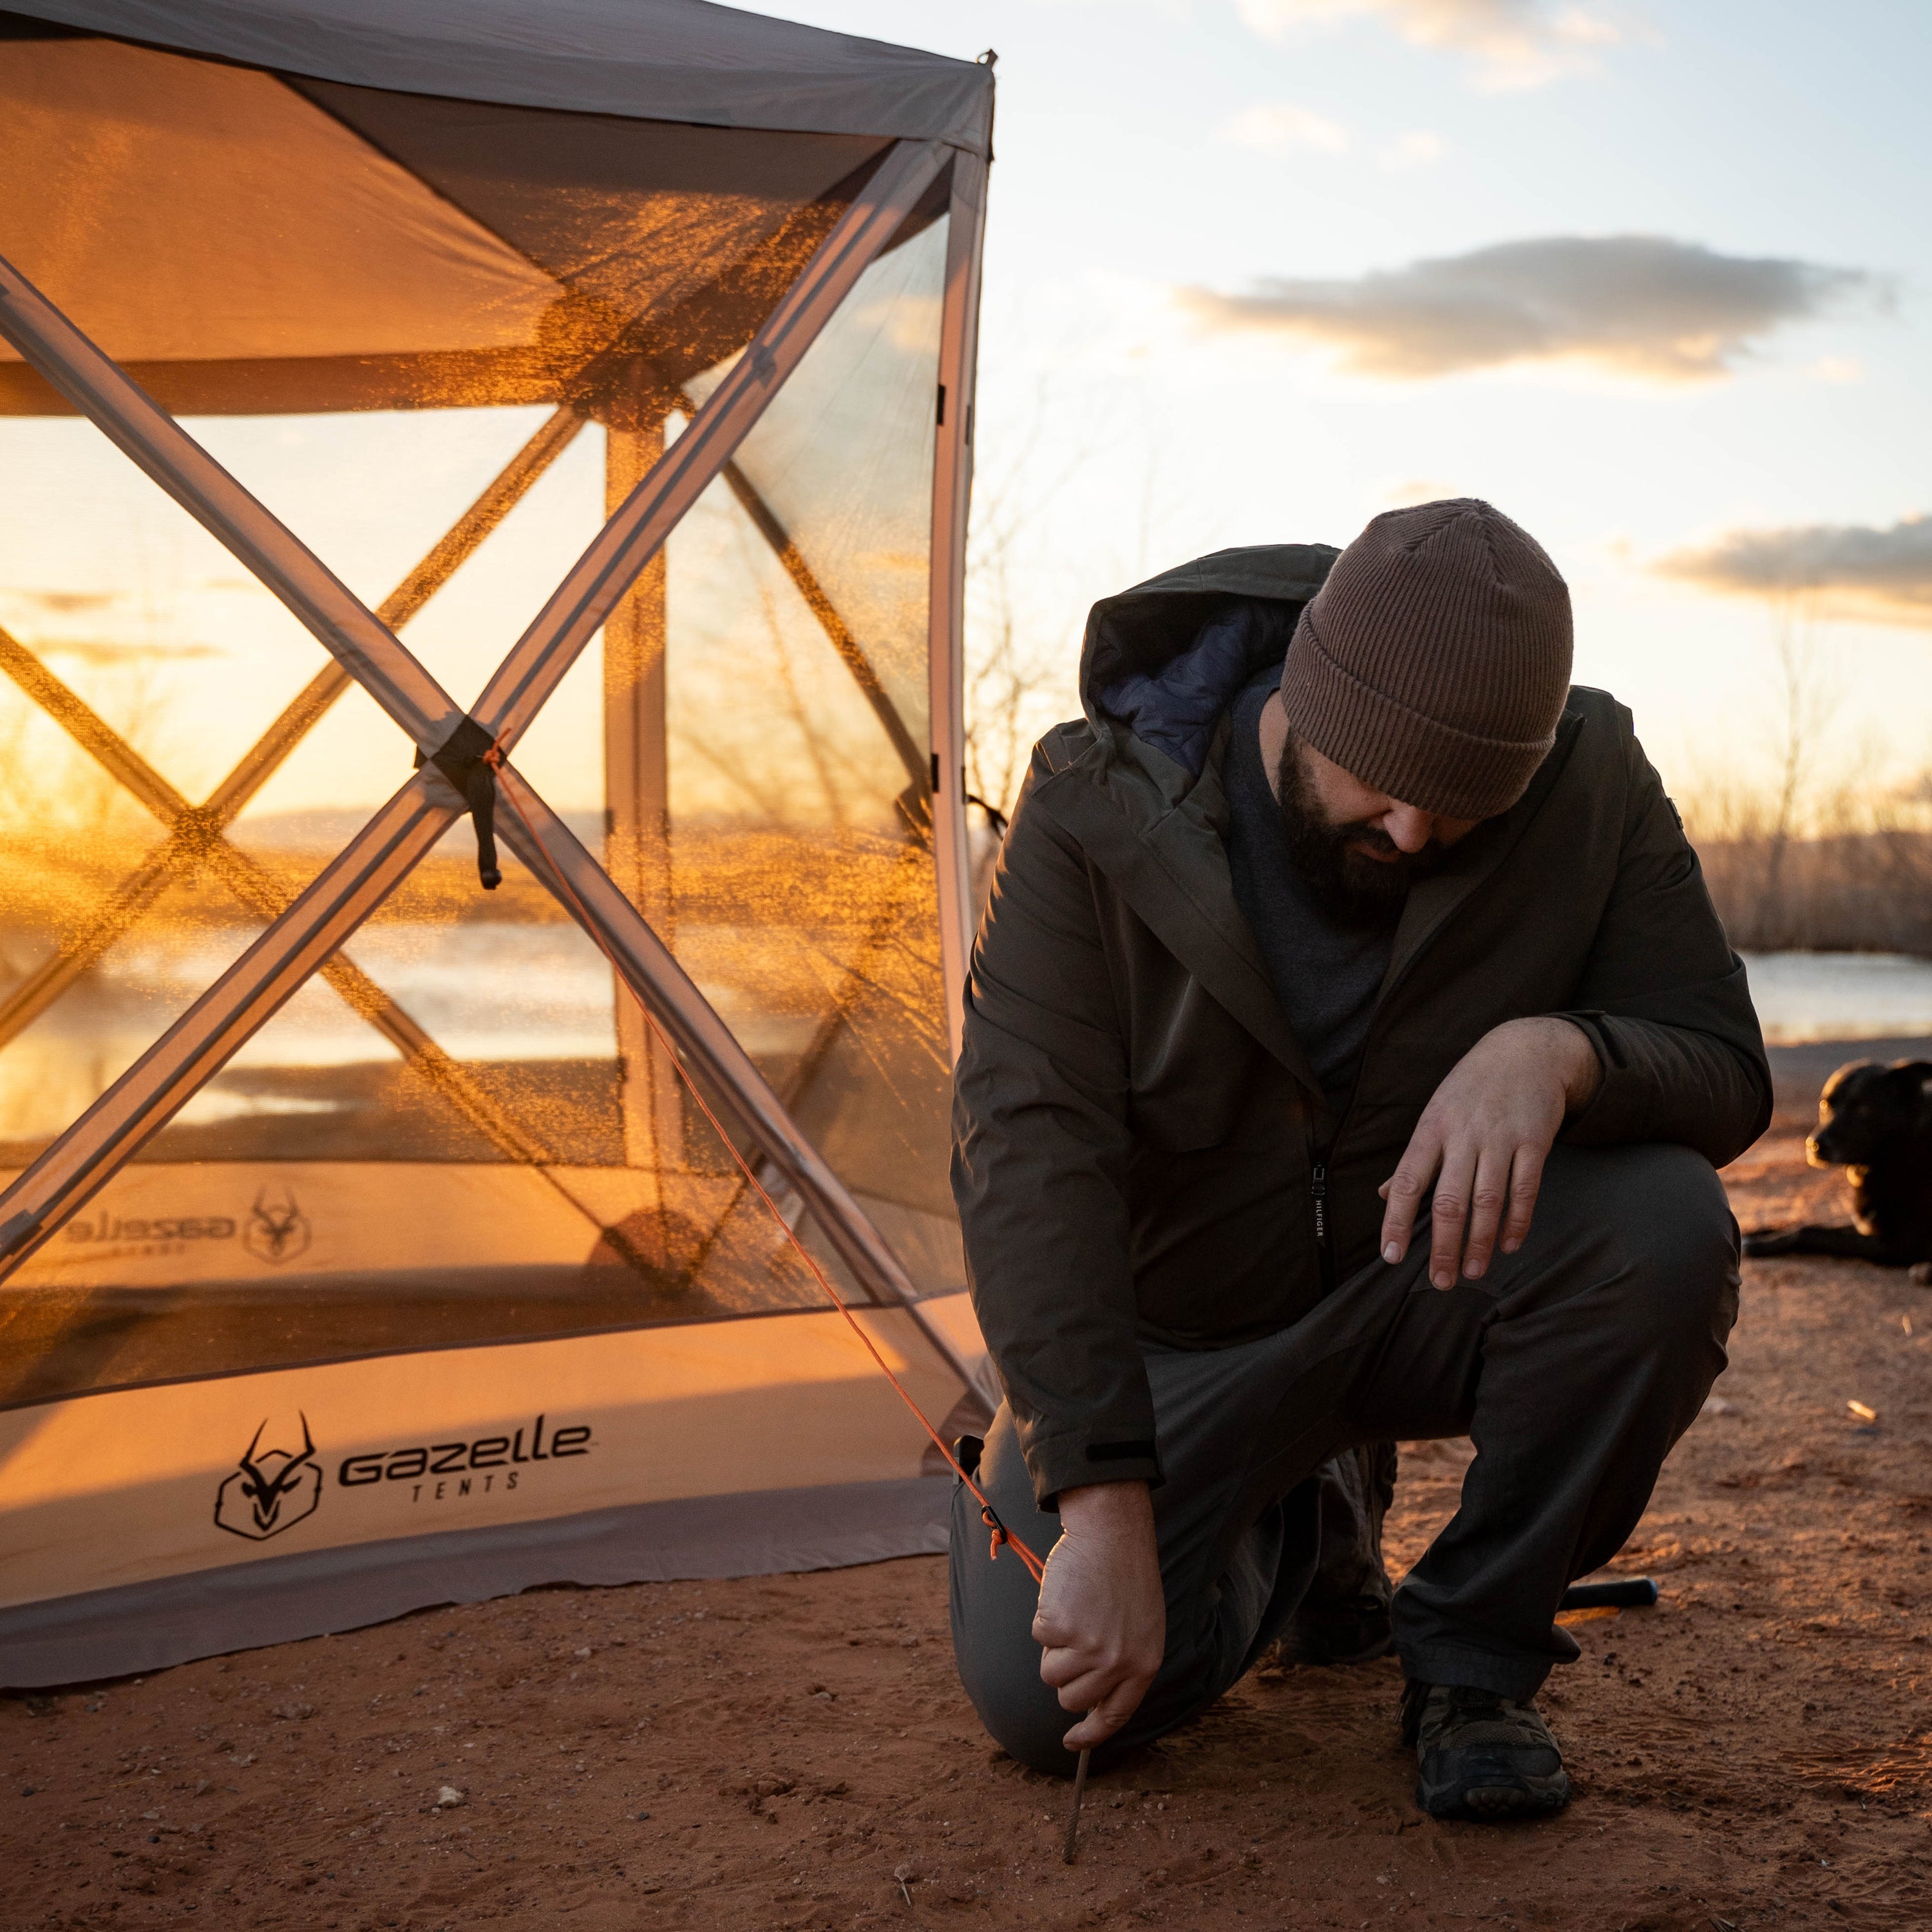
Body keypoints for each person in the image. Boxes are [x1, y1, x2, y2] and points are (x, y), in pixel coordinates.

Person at [947, 500, 1767, 1821]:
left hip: (1418, 1282)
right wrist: (1098, 1499)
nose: (1408, 838)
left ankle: (1471, 1659)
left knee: (1666, 1233)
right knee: (1058, 1711)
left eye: (1460, 814)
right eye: (1375, 789)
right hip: (1185, 1340)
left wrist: (1560, 1053)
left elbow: (1725, 1068)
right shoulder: (1093, 808)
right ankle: (1294, 1520)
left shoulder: (1596, 777)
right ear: (1303, 699)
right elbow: (1028, 1155)